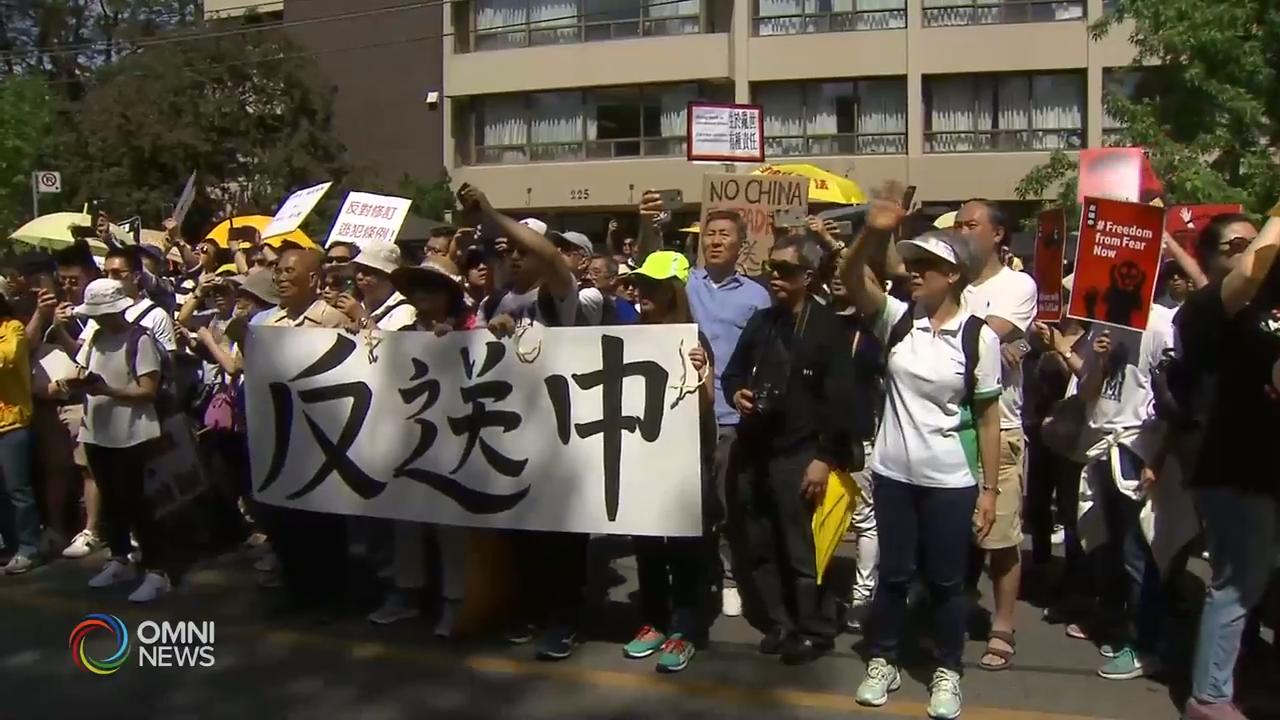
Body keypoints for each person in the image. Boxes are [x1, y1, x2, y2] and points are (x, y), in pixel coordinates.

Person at [843, 207, 1001, 720]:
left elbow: (989, 419)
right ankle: (884, 658)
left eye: (925, 265)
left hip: (950, 481)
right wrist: (876, 230)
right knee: (892, 574)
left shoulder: (980, 337)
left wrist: (989, 490)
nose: (913, 272)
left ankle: (948, 667)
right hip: (892, 476)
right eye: (910, 263)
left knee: (946, 582)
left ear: (952, 275)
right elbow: (851, 276)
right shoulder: (897, 317)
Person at [458, 184, 588, 660]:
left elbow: (551, 255)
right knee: (521, 531)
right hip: (507, 431)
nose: (513, 257)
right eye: (506, 250)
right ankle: (530, 610)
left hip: (559, 433)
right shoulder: (492, 304)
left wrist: (490, 211)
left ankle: (565, 620)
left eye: (521, 249)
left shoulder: (560, 296)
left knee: (560, 535)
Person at [721, 234, 857, 666]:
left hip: (801, 451)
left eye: (785, 271)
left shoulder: (828, 327)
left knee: (801, 548)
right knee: (758, 540)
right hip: (754, 447)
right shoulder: (762, 322)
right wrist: (738, 393)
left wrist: (823, 456)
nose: (775, 278)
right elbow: (732, 374)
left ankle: (812, 628)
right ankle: (778, 620)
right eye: (771, 269)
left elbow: (841, 401)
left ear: (808, 276)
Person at [645, 199, 771, 619]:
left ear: (741, 245)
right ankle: (704, 576)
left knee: (726, 501)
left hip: (730, 416)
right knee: (689, 505)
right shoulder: (683, 283)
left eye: (725, 235)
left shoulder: (757, 296)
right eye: (710, 234)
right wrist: (650, 225)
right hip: (681, 411)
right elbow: (649, 263)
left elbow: (764, 355)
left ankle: (733, 578)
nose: (716, 242)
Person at [1177, 214, 1278, 720]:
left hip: (1271, 467)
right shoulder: (1205, 310)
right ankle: (1210, 696)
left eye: (1254, 237)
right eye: (1236, 244)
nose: (1251, 249)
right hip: (1235, 468)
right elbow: (1250, 274)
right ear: (1212, 260)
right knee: (1239, 581)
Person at [619, 250, 716, 673]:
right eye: (640, 284)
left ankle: (686, 629)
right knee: (647, 547)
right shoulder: (632, 335)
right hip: (642, 460)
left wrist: (699, 373)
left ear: (673, 291)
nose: (642, 293)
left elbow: (706, 406)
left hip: (683, 464)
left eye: (653, 286)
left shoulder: (693, 340)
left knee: (686, 549)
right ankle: (654, 621)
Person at [953, 199, 1037, 671]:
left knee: (1000, 537)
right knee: (952, 531)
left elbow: (984, 334)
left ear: (999, 234)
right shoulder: (951, 281)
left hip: (998, 424)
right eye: (958, 225)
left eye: (972, 224)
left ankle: (1002, 624)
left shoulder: (1016, 284)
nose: (963, 232)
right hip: (948, 425)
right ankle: (954, 605)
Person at [368, 257, 472, 634]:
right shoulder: (400, 336)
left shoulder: (468, 331)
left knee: (450, 524)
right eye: (417, 288)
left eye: (431, 287)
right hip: (407, 443)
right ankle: (407, 595)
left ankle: (455, 601)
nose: (422, 295)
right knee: (406, 520)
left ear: (449, 294)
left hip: (455, 446)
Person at [68, 279, 171, 602]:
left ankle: (157, 570)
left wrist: (107, 391)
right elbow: (83, 369)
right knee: (111, 501)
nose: (98, 319)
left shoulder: (139, 340)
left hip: (132, 433)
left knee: (138, 503)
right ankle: (119, 557)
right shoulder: (95, 337)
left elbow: (148, 390)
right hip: (98, 430)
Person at [258, 246, 348, 617]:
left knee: (323, 522)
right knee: (282, 518)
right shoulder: (264, 323)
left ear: (313, 279)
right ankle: (295, 589)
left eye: (289, 272)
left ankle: (329, 594)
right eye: (277, 271)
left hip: (323, 436)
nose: (280, 278)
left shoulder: (334, 321)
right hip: (277, 434)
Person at [0, 288, 38, 575]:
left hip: (14, 422)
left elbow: (8, 359)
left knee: (18, 490)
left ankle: (28, 547)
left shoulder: (13, 329)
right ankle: (11, 546)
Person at [337, 240, 416, 332]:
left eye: (368, 272)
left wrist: (360, 316)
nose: (359, 276)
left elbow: (391, 345)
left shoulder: (404, 311)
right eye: (358, 270)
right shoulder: (354, 302)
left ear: (389, 277)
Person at [586, 254, 638, 324]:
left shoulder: (625, 312)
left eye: (596, 273)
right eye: (586, 272)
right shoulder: (577, 302)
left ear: (612, 279)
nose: (588, 277)